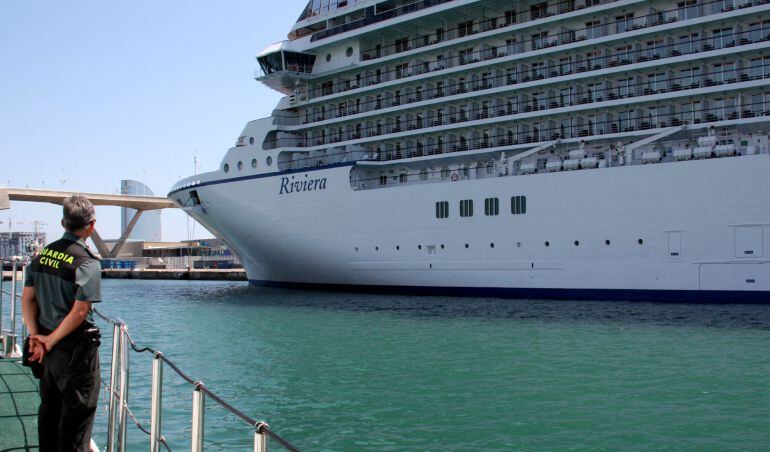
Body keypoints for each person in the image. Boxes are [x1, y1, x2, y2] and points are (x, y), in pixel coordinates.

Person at [22, 195, 102, 452]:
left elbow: (28, 298)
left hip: (46, 352)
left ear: (62, 222)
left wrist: (37, 337)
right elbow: (80, 312)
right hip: (75, 353)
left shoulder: (42, 256)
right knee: (77, 418)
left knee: (50, 410)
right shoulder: (87, 262)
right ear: (91, 225)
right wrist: (50, 339)